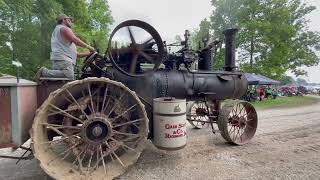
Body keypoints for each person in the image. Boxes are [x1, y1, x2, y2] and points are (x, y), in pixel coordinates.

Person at [36, 14, 95, 80]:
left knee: (60, 81)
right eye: (69, 20)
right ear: (63, 20)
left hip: (60, 59)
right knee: (69, 76)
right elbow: (75, 39)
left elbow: (76, 54)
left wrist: (89, 53)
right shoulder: (63, 28)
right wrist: (89, 47)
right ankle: (44, 72)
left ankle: (46, 76)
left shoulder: (58, 31)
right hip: (63, 60)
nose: (71, 22)